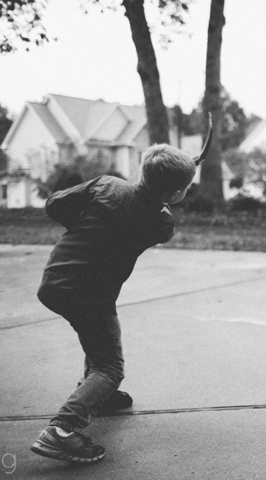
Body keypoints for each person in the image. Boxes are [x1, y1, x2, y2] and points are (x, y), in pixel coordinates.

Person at [31, 144, 197, 464]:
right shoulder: (161, 223)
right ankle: (63, 430)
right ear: (177, 192)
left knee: (96, 338)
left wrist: (81, 225)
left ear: (142, 170)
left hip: (56, 280)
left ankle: (98, 397)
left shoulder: (107, 184)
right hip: (93, 293)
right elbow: (154, 215)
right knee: (109, 366)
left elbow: (55, 204)